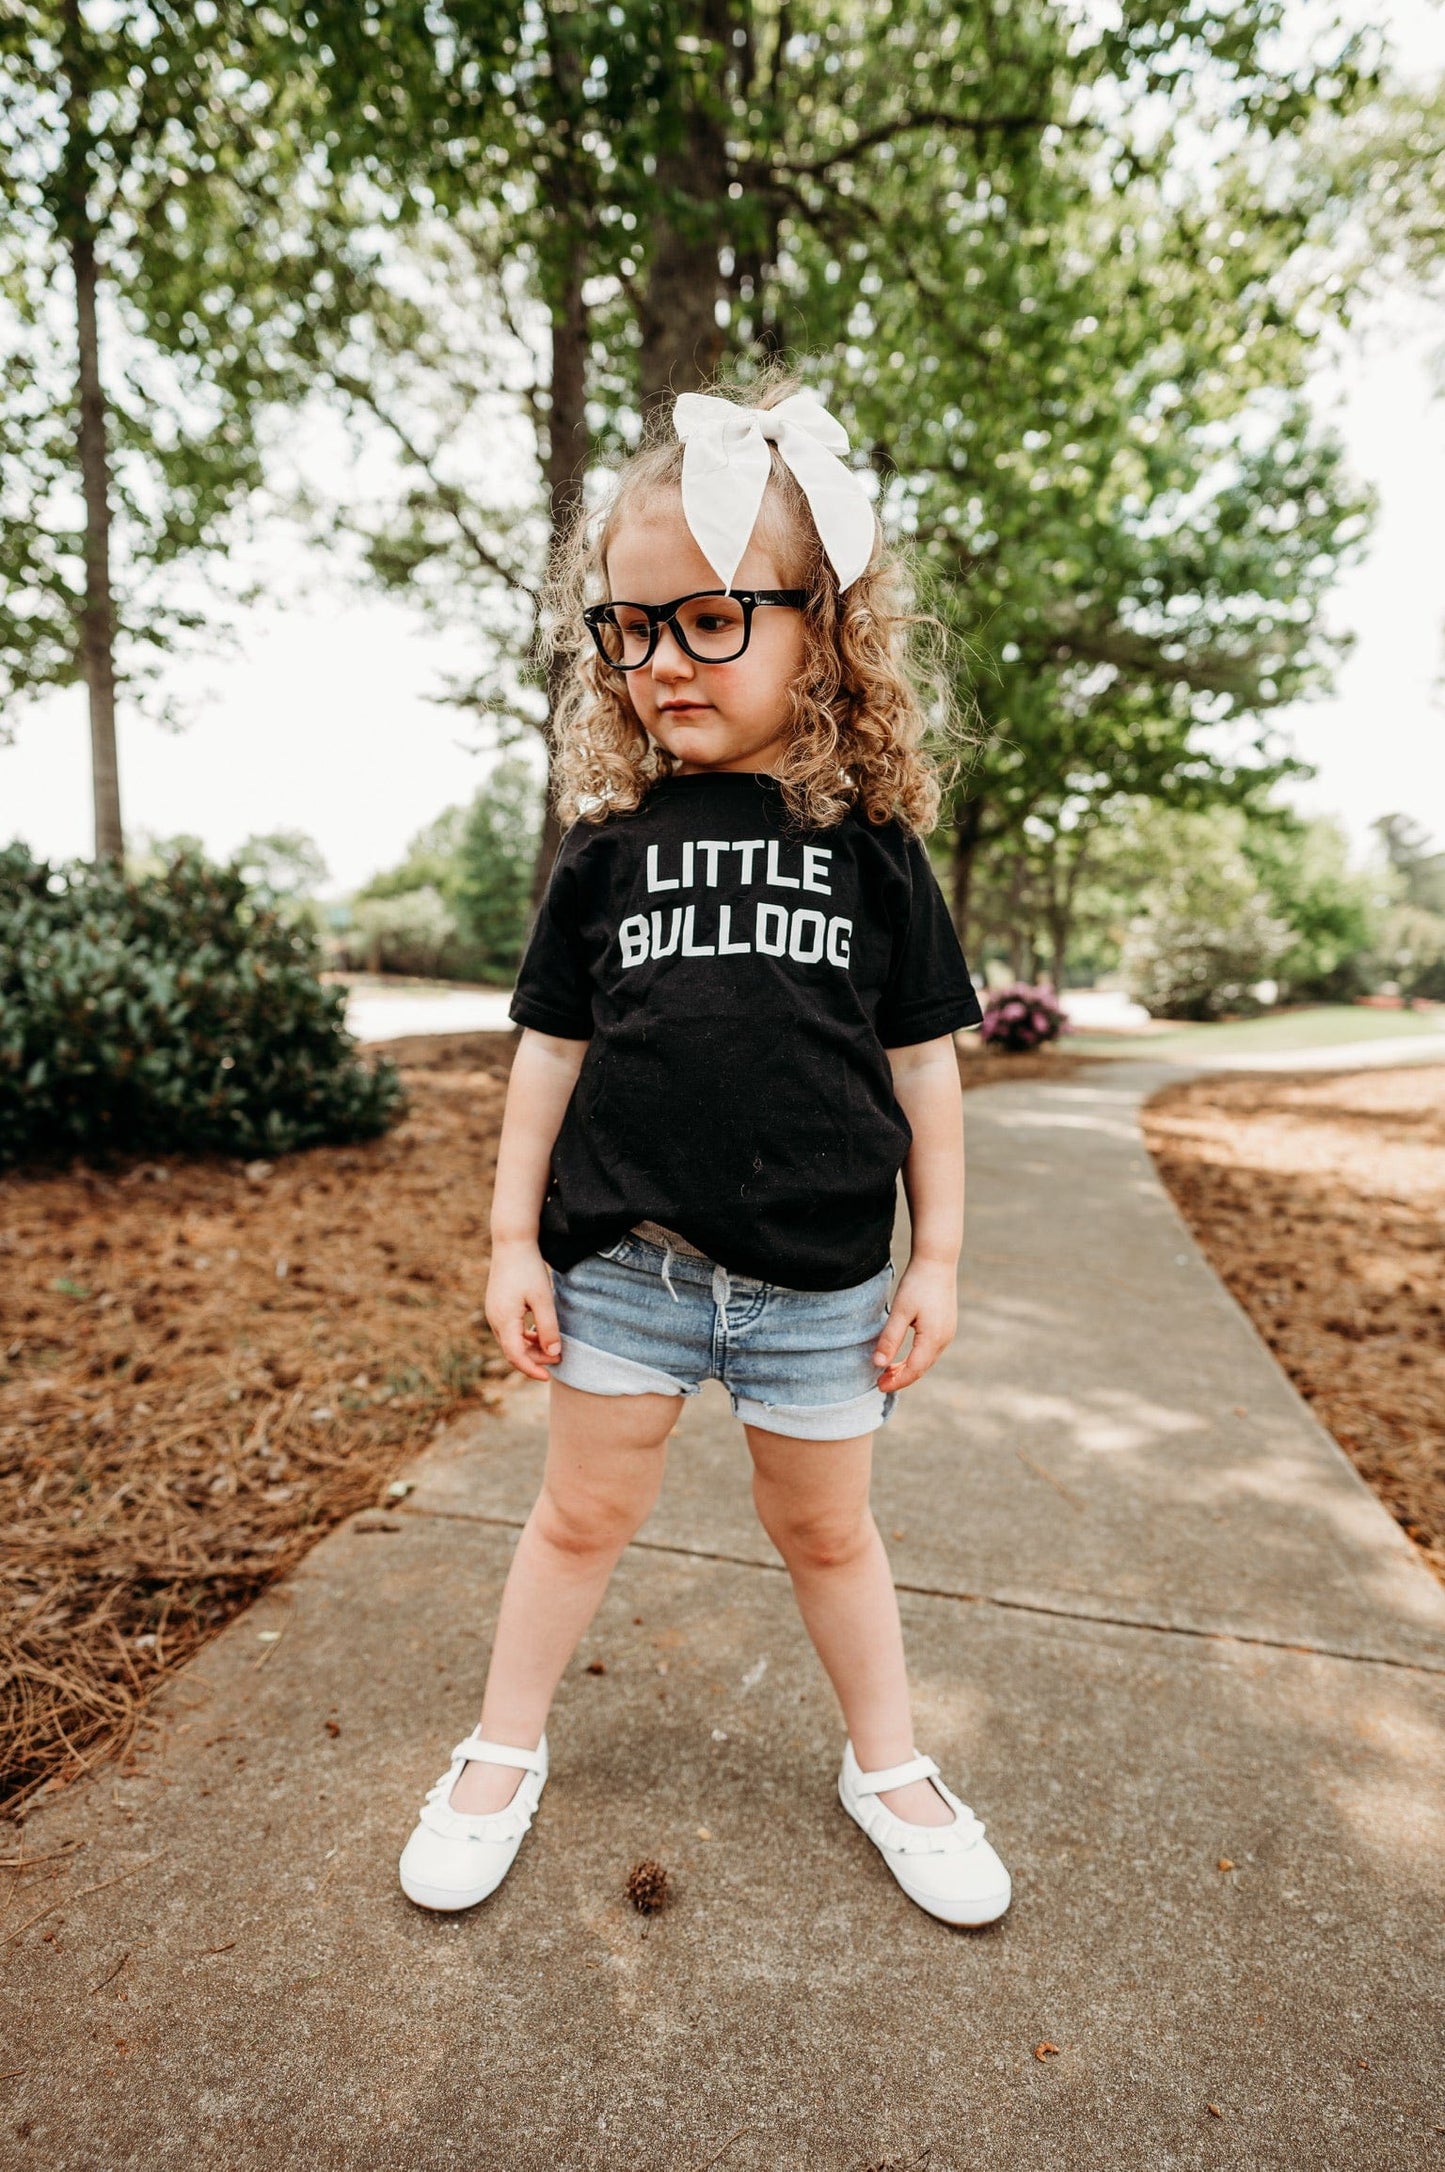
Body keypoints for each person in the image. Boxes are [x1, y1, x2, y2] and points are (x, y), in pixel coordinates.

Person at [398, 376, 1011, 1928]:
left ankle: (887, 1764)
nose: (661, 659)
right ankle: (500, 1748)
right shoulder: (605, 848)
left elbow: (921, 1063)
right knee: (576, 1518)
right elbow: (550, 1054)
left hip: (821, 1286)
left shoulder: (871, 847)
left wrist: (937, 1258)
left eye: (709, 619)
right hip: (628, 1271)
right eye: (628, 627)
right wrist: (510, 1241)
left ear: (823, 630)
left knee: (826, 1532)